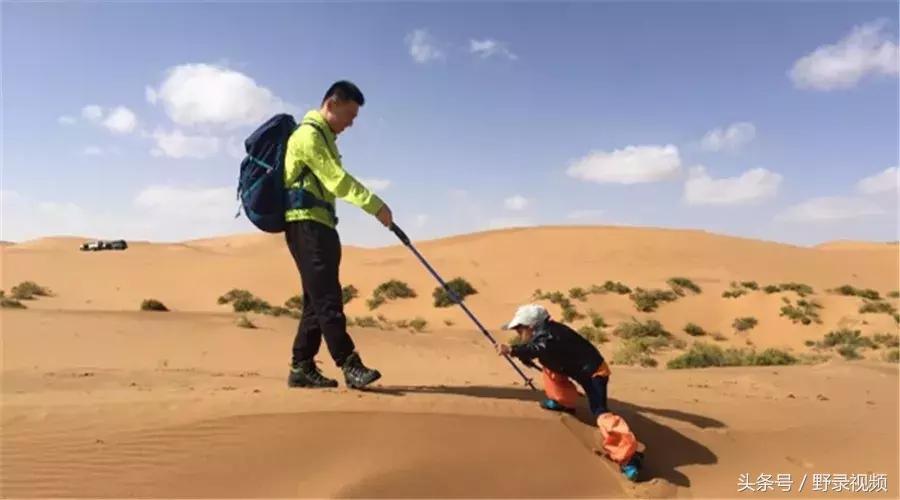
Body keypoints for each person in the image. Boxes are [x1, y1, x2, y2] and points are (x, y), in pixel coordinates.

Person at [283, 80, 393, 390]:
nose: (350, 123)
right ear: (331, 104)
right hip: (305, 225)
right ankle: (349, 363)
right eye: (348, 115)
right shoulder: (307, 136)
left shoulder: (325, 137)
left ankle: (301, 367)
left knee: (316, 301)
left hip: (322, 225)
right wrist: (376, 206)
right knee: (328, 297)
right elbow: (336, 181)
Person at [496, 303, 646, 481]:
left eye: (519, 329)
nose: (518, 333)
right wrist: (522, 355)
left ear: (530, 326)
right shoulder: (542, 334)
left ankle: (628, 457)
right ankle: (564, 402)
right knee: (549, 369)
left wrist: (512, 350)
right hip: (572, 368)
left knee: (601, 413)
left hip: (593, 373)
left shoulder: (550, 335)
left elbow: (540, 348)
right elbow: (537, 351)